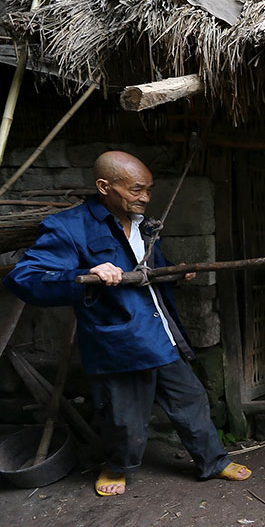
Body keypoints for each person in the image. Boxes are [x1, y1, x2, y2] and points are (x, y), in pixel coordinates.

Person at [4, 151, 250, 496]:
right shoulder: (69, 227)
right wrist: (84, 274)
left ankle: (214, 461)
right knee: (122, 414)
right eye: (136, 190)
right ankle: (117, 466)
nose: (145, 198)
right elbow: (24, 278)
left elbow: (148, 273)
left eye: (148, 190)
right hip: (118, 341)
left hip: (162, 333)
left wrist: (174, 274)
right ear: (105, 186)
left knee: (191, 399)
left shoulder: (144, 226)